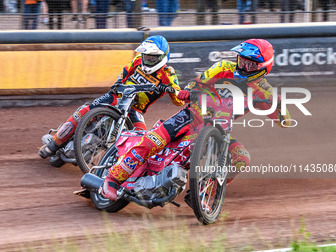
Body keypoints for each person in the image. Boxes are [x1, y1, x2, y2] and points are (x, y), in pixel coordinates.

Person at [99, 39, 292, 202]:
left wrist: (281, 111)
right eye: (241, 60)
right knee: (153, 141)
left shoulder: (264, 91)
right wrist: (188, 91)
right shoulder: (224, 67)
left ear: (263, 68)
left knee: (242, 158)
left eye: (250, 64)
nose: (243, 66)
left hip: (221, 130)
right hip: (191, 115)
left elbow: (283, 119)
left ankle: (203, 192)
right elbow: (199, 81)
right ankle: (112, 180)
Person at [38, 35, 184, 159]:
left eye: (152, 58)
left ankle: (118, 169)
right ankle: (53, 144)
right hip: (116, 96)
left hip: (135, 109)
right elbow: (125, 71)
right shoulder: (138, 60)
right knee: (84, 111)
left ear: (162, 57)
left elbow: (178, 100)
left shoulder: (168, 74)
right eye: (146, 56)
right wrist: (118, 82)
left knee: (141, 139)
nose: (147, 60)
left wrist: (171, 89)